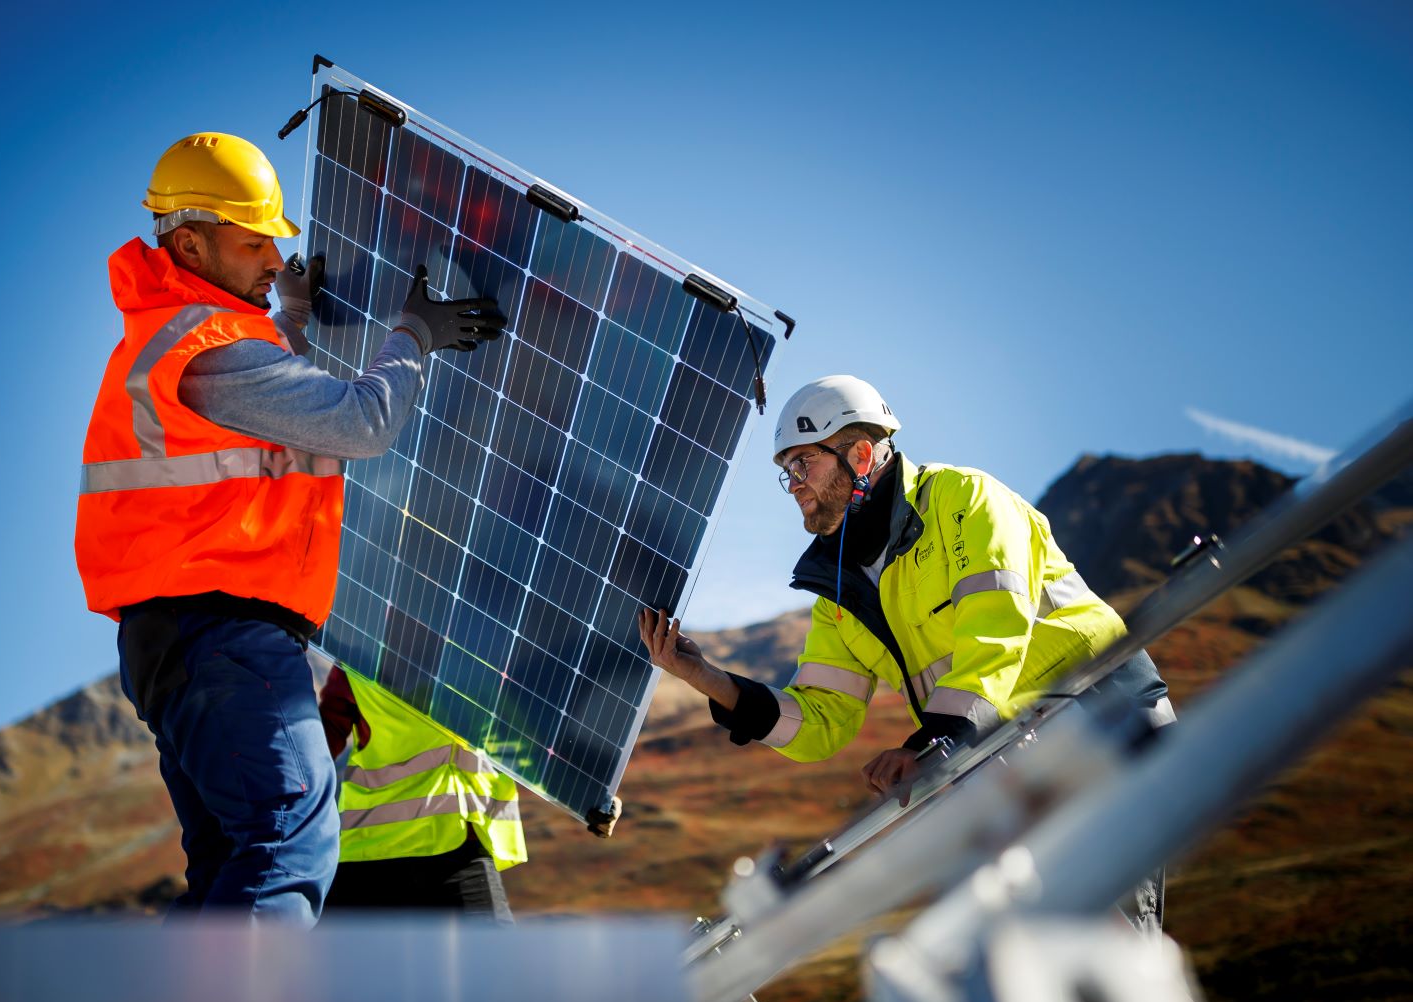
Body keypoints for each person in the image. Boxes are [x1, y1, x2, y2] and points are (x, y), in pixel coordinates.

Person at [75, 132, 505, 924]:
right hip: (225, 635)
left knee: (230, 866)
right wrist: (415, 334)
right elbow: (360, 422)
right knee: (292, 838)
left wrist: (294, 320)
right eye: (253, 241)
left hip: (180, 638)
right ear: (190, 241)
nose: (274, 259)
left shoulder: (180, 337)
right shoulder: (205, 349)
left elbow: (263, 420)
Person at [638, 375, 1174, 932]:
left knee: (1114, 947)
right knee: (1043, 963)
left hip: (1098, 720)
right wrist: (702, 675)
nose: (793, 484)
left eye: (804, 465)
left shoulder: (965, 501)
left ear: (861, 455)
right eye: (787, 472)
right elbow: (821, 720)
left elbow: (994, 633)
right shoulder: (838, 590)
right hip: (1003, 755)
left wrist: (929, 743)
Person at [316, 665, 526, 920]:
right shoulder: (482, 660)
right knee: (493, 958)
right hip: (442, 848)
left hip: (370, 849)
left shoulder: (358, 660)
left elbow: (320, 744)